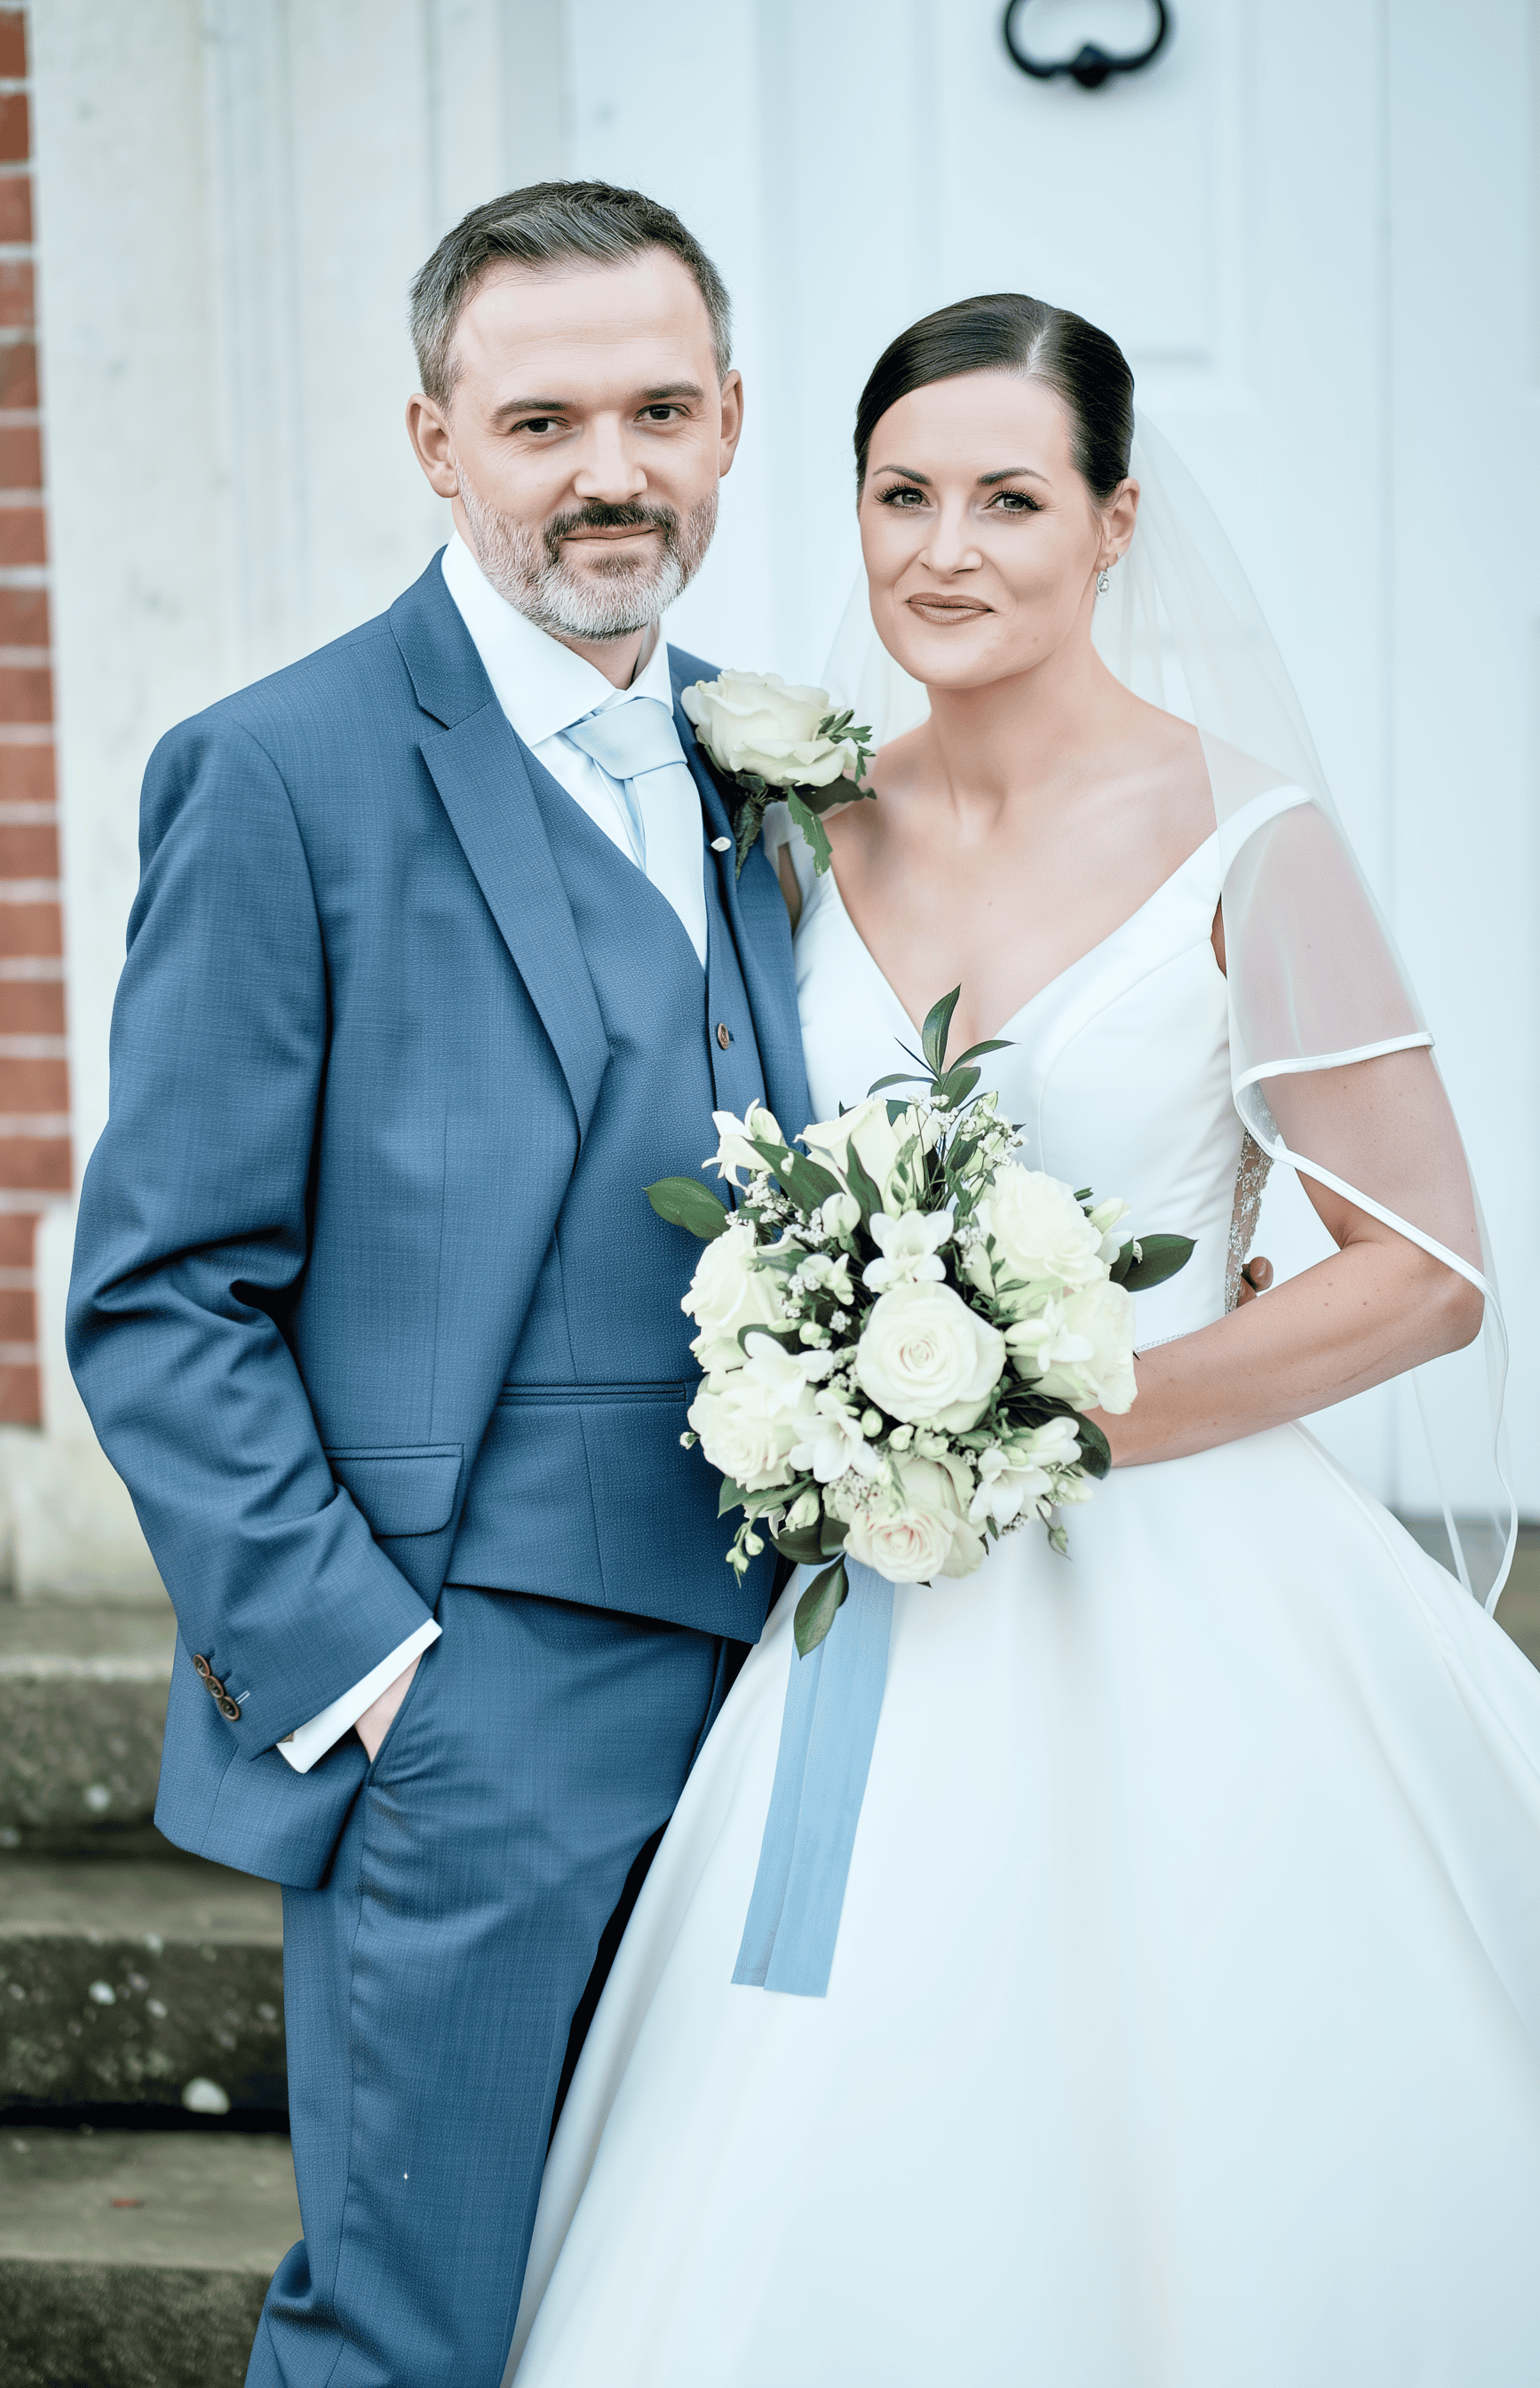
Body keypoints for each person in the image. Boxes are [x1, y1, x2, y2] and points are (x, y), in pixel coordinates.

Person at [502, 296, 1540, 2386]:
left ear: (1113, 522)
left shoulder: (1248, 842)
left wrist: (1047, 1414)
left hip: (1180, 1579)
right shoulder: (790, 833)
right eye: (900, 496)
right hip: (862, 1592)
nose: (944, 549)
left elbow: (1422, 1264)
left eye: (1007, 498)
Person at [66, 181, 814, 2388]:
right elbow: (159, 1288)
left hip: (789, 1688)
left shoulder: (765, 763)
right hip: (469, 1699)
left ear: (729, 422)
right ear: (432, 443)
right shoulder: (280, 773)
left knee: (697, 2302)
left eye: (659, 409)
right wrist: (371, 1666)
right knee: (420, 2329)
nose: (610, 472)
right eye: (542, 418)